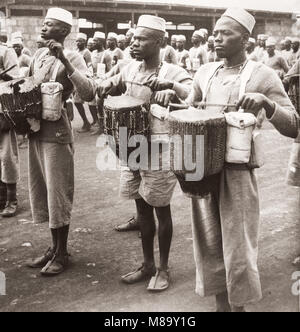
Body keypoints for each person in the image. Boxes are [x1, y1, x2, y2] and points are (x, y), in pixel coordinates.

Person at [187, 7, 298, 312]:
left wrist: (266, 104)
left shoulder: (262, 74)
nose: (217, 38)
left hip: (237, 174)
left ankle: (239, 309)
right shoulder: (205, 72)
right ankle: (222, 307)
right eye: (216, 32)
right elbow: (187, 109)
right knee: (208, 244)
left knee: (237, 248)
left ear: (246, 39)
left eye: (226, 33)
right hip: (201, 171)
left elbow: (294, 125)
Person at [97, 14, 192, 292]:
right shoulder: (129, 68)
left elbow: (191, 92)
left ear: (160, 41)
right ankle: (147, 264)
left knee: (161, 210)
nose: (134, 42)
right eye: (134, 38)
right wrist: (104, 85)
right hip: (132, 147)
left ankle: (163, 269)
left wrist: (171, 90)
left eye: (141, 39)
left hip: (160, 150)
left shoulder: (172, 71)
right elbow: (108, 82)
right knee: (142, 210)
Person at [25, 7, 95, 276]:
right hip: (36, 130)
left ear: (64, 31)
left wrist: (64, 60)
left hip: (57, 133)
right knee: (42, 189)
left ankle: (62, 252)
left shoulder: (74, 56)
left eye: (50, 25)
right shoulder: (39, 54)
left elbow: (88, 92)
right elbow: (30, 85)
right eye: (44, 23)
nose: (43, 28)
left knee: (58, 193)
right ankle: (52, 248)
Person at [0, 38, 20, 218]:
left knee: (7, 156)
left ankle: (11, 199)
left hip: (3, 110)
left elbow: (18, 80)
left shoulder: (6, 51)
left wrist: (3, 76)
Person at [90, 31, 112, 136]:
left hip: (102, 83)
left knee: (101, 105)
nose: (93, 43)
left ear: (101, 42)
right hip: (93, 81)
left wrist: (105, 83)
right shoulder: (93, 53)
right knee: (93, 104)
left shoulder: (106, 54)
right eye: (93, 40)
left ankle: (105, 128)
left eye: (96, 41)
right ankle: (99, 125)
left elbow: (111, 71)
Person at [74, 32, 96, 133]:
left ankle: (87, 123)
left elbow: (89, 66)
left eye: (80, 41)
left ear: (84, 42)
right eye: (77, 41)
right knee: (77, 102)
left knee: (78, 102)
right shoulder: (75, 51)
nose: (78, 43)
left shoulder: (86, 52)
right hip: (75, 78)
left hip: (83, 78)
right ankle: (87, 122)